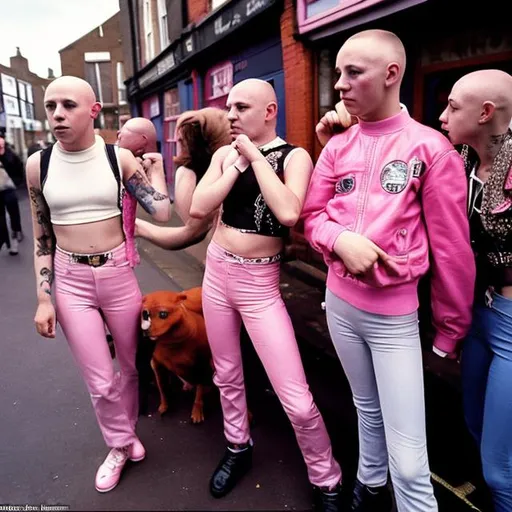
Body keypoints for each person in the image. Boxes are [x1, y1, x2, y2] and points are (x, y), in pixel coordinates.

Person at [301, 30, 475, 512]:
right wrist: (341, 239)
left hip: (393, 319)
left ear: (391, 74)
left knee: (412, 463)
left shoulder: (431, 149)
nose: (339, 84)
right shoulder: (338, 147)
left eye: (352, 72)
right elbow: (312, 216)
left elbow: (453, 250)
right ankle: (367, 484)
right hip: (339, 304)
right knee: (365, 409)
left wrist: (449, 331)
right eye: (337, 73)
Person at [189, 79, 343, 511]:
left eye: (241, 107)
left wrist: (256, 158)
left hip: (259, 285)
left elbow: (290, 212)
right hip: (217, 273)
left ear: (270, 110)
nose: (231, 115)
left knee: (295, 395)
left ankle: (326, 476)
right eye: (228, 107)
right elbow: (200, 208)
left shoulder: (294, 156)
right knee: (226, 373)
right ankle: (238, 446)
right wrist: (237, 163)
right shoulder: (224, 154)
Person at [26, 76, 171, 493]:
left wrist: (155, 172)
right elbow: (42, 238)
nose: (57, 114)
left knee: (129, 369)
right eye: (50, 105)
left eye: (68, 105)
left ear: (94, 111)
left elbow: (161, 213)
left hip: (118, 274)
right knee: (100, 379)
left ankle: (124, 438)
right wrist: (43, 298)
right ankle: (120, 444)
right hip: (70, 281)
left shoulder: (118, 158)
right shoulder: (40, 165)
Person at [439, 69, 512, 512]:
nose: (443, 116)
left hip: (507, 319)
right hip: (475, 313)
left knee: (497, 467)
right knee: (474, 423)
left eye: (453, 107)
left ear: (485, 113)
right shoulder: (461, 162)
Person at [133, 108, 231, 251]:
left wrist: (137, 226)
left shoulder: (187, 175)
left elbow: (190, 232)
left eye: (180, 140)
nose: (177, 145)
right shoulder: (233, 166)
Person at [0, 135, 24, 254]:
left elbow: (19, 169)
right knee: (1, 221)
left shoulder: (10, 154)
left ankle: (15, 239)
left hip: (9, 190)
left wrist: (15, 183)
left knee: (14, 216)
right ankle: (6, 240)